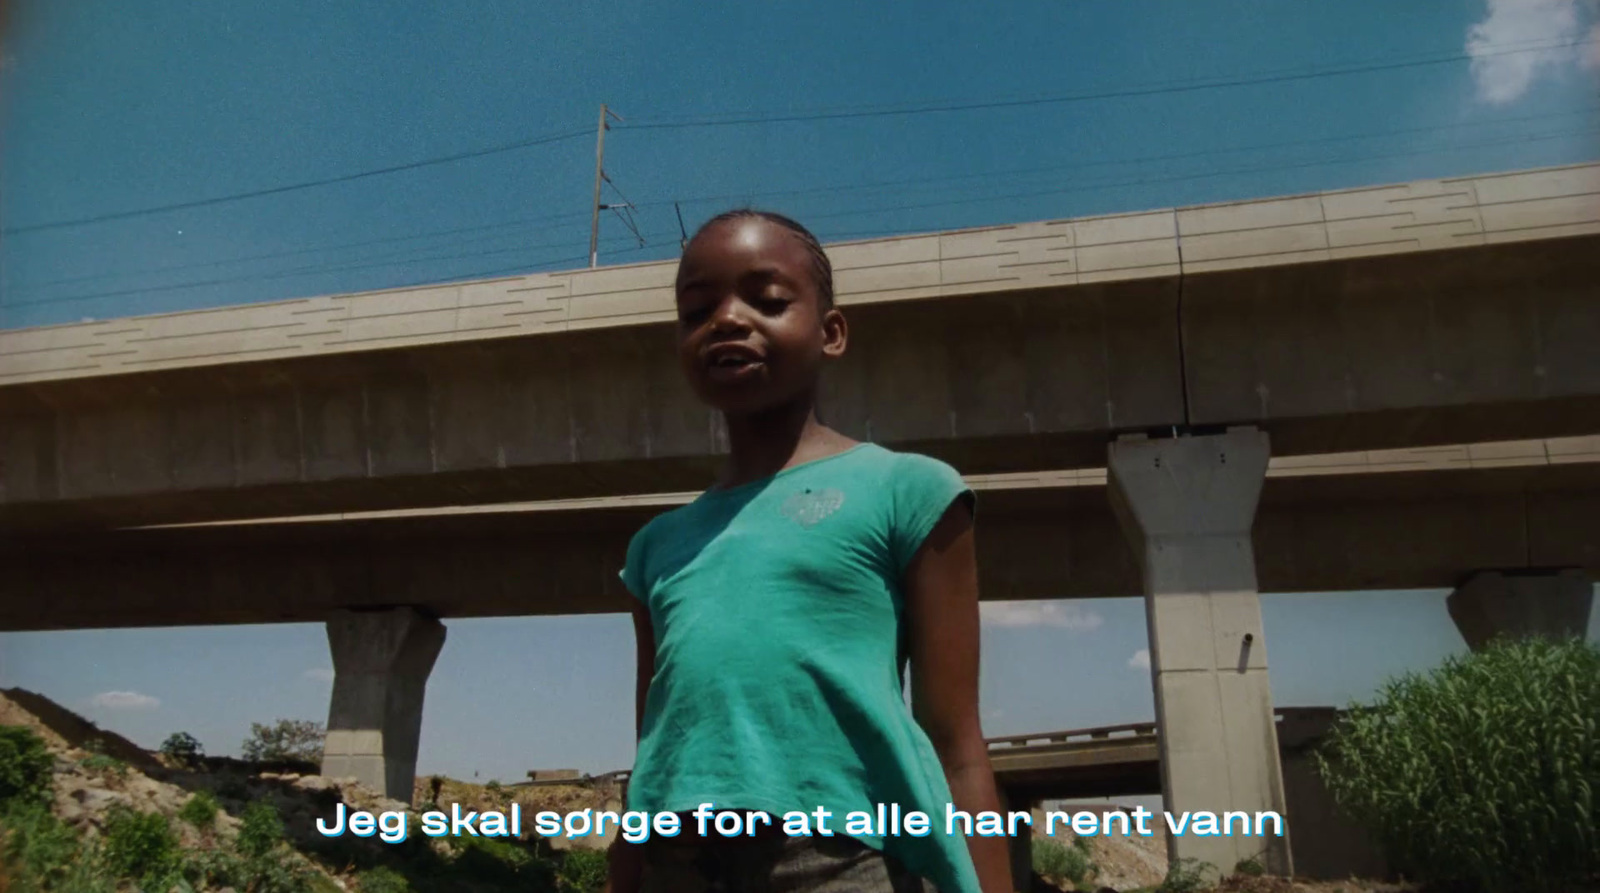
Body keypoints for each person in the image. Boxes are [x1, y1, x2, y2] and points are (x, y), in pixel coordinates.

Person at [605, 210, 1011, 893]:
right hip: (676, 859)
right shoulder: (656, 547)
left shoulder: (908, 490)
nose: (727, 320)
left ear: (831, 332)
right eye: (696, 309)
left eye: (766, 300)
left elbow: (956, 742)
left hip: (843, 855)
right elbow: (655, 740)